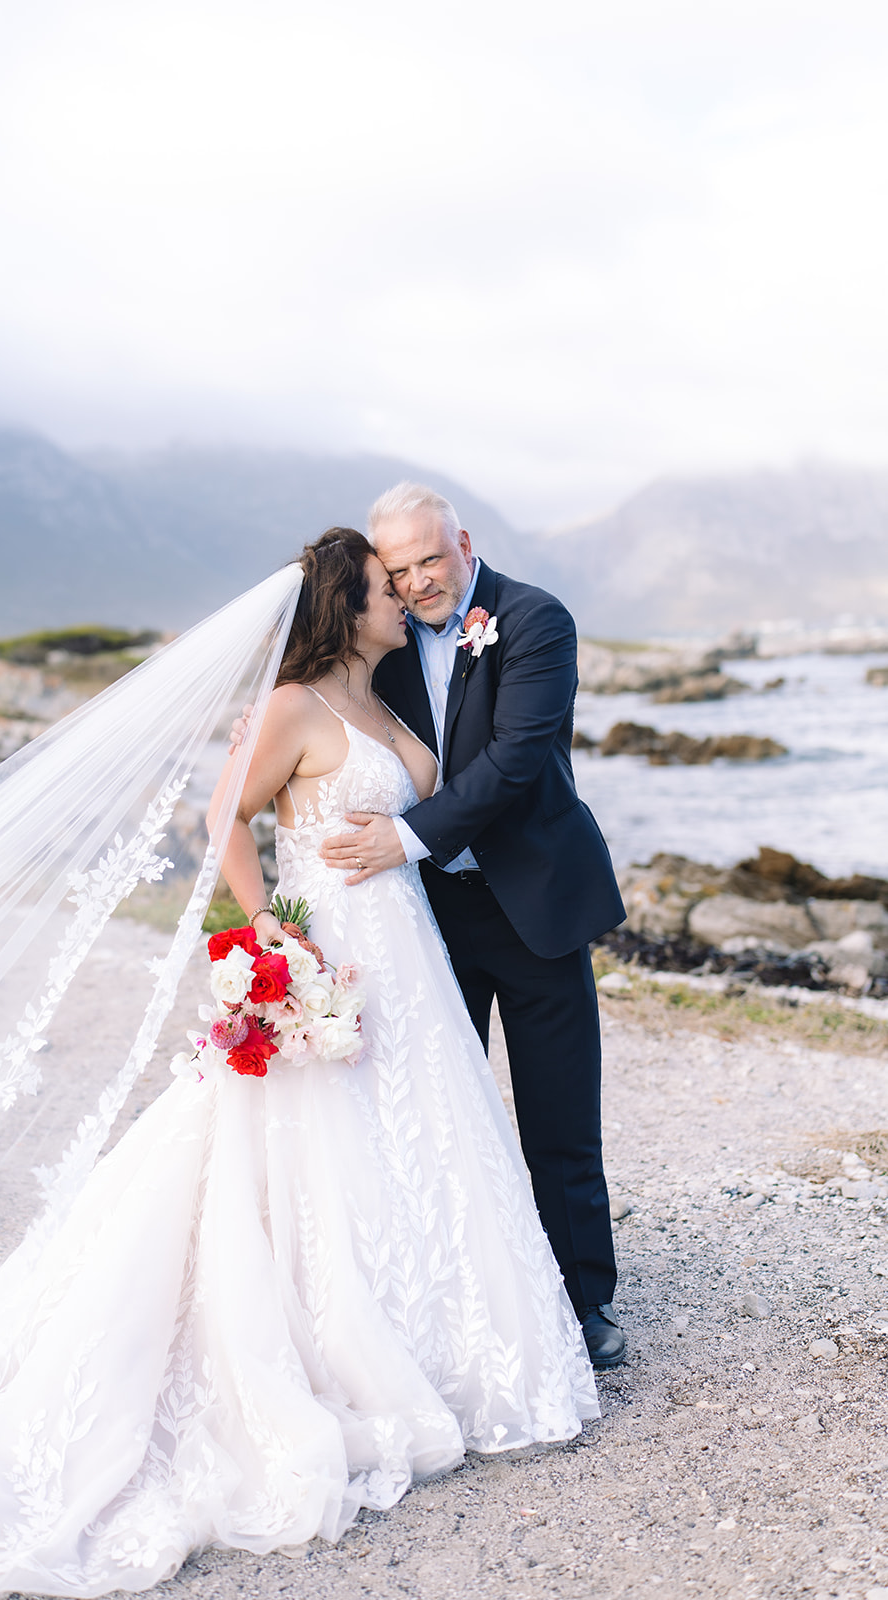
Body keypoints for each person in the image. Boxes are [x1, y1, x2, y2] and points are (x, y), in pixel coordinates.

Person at [0, 530, 597, 1600]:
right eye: (382, 586)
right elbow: (220, 816)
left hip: (407, 953)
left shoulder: (384, 702)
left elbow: (465, 779)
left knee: (411, 1140)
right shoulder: (292, 707)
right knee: (293, 1150)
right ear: (345, 604)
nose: (399, 598)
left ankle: (432, 1329)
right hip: (330, 944)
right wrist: (270, 937)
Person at [317, 485, 628, 1369]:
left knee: (559, 1117)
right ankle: (447, 1298)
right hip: (424, 916)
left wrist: (404, 837)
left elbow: (516, 759)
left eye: (430, 559)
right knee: (430, 1113)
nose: (417, 582)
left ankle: (584, 1301)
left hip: (534, 905)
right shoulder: (378, 639)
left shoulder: (534, 620)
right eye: (399, 569)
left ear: (462, 541)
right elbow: (323, 704)